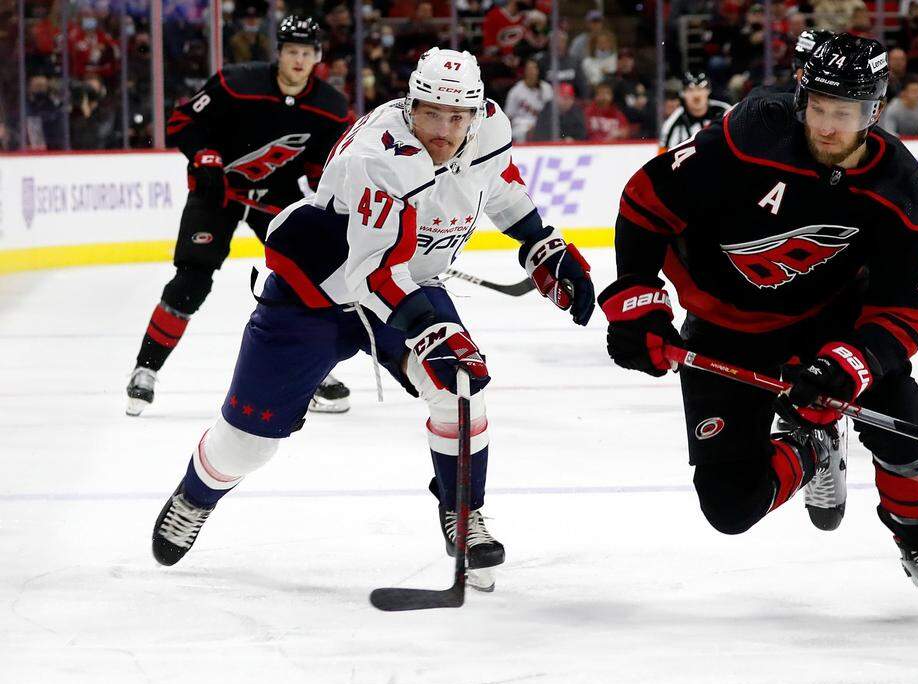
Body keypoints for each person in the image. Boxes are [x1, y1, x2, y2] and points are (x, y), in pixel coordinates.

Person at [149, 48, 595, 594]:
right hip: (318, 291)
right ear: (411, 104)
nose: (444, 129)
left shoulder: (489, 128)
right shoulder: (378, 155)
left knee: (457, 384)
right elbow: (372, 271)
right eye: (432, 113)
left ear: (477, 113)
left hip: (409, 282)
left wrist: (539, 244)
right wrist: (431, 330)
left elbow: (498, 187)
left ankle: (463, 514)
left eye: (458, 117)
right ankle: (196, 495)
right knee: (248, 443)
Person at [597, 34, 918, 621]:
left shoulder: (905, 193)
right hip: (725, 325)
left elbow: (905, 310)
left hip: (829, 323)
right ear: (802, 97)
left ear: (874, 112)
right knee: (730, 507)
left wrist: (847, 367)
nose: (827, 127)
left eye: (845, 114)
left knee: (905, 433)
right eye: (819, 109)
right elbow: (647, 199)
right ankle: (809, 448)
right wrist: (638, 297)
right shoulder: (753, 134)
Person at [126, 17, 351, 416]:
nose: (298, 60)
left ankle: (313, 373)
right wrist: (206, 158)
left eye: (306, 53)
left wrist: (328, 202)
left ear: (317, 58)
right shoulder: (236, 83)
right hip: (218, 192)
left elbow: (326, 167)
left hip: (276, 197)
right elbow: (183, 122)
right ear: (278, 53)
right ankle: (145, 369)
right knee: (192, 278)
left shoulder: (331, 109)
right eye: (291, 51)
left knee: (308, 278)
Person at [658, 71, 732, 150]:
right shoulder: (672, 122)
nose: (696, 95)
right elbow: (663, 156)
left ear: (708, 90)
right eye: (690, 90)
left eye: (700, 89)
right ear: (683, 93)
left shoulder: (725, 111)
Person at [504, 58, 552, 142]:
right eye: (529, 69)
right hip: (520, 127)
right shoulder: (516, 90)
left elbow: (551, 114)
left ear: (538, 71)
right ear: (525, 71)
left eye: (534, 68)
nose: (532, 72)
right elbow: (508, 116)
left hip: (541, 126)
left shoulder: (546, 88)